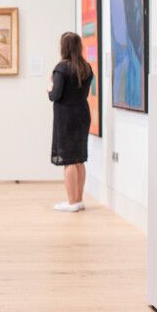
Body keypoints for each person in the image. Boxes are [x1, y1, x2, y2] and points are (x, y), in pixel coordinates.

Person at [48, 32, 94, 212]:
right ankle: (79, 200)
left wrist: (49, 90)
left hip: (66, 116)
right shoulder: (86, 67)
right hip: (82, 113)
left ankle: (71, 202)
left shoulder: (61, 68)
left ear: (63, 47)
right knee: (79, 158)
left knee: (68, 160)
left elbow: (56, 95)